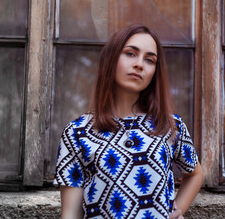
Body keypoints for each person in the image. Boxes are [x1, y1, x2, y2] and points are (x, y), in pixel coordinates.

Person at [54, 25, 203, 219]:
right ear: (111, 59)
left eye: (150, 60)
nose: (140, 64)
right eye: (131, 54)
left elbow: (195, 173)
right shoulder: (77, 132)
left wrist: (178, 210)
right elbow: (70, 215)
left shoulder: (169, 126)